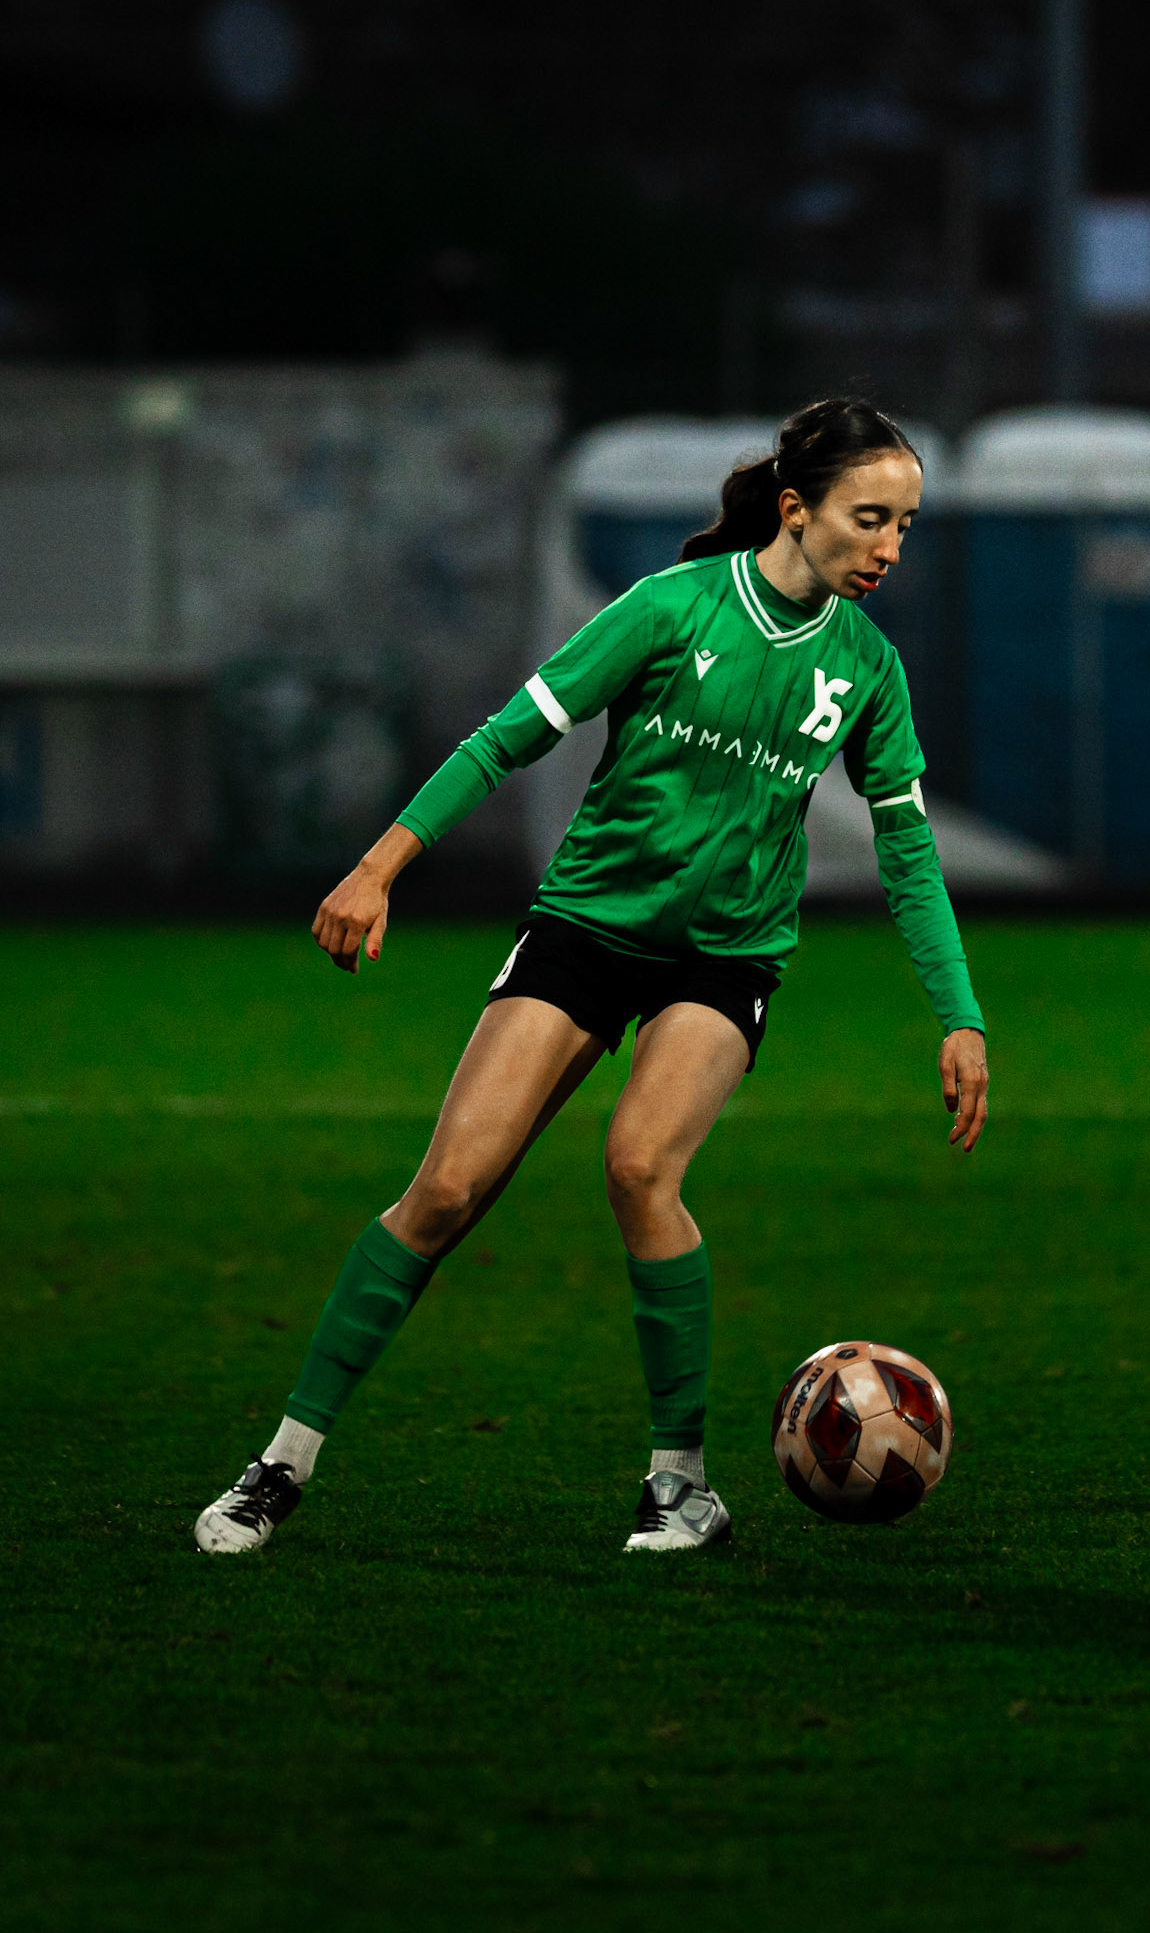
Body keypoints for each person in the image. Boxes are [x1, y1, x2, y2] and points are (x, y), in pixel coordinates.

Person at [193, 396, 989, 1557]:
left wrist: (958, 1016)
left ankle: (681, 1485)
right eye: (871, 518)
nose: (889, 549)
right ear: (794, 507)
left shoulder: (868, 670)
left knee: (639, 1165)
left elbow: (909, 853)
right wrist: (376, 869)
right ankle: (281, 1462)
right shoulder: (669, 610)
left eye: (906, 527)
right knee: (449, 1188)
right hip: (586, 931)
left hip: (723, 957)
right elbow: (506, 735)